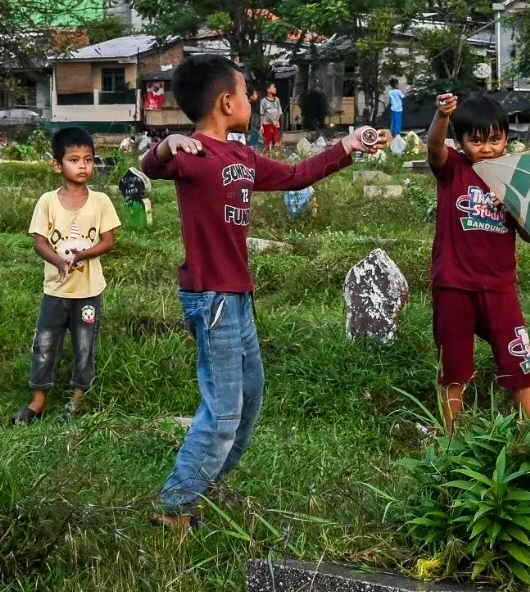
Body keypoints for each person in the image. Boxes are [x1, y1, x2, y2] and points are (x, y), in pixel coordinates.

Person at [143, 54, 383, 529]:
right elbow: (152, 167)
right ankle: (174, 507)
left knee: (251, 396)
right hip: (212, 297)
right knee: (224, 408)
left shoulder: (243, 156)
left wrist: (348, 145)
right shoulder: (194, 154)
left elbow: (296, 177)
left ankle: (206, 489)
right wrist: (167, 144)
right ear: (226, 101)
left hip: (238, 295)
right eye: (246, 91)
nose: (253, 97)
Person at [427, 91, 530, 431]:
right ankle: (452, 441)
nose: (488, 148)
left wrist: (516, 207)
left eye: (495, 139)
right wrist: (442, 116)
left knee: (521, 364)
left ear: (506, 137)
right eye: (476, 141)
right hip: (453, 286)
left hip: (499, 288)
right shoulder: (453, 169)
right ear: (460, 143)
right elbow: (434, 147)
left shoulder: (516, 178)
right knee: (454, 370)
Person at [13, 126, 122, 424]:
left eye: (88, 159)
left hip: (88, 292)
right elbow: (39, 241)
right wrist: (60, 263)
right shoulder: (47, 202)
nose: (83, 166)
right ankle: (38, 401)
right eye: (74, 159)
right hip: (56, 292)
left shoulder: (100, 202)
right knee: (46, 342)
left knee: (85, 345)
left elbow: (108, 240)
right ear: (57, 165)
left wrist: (82, 255)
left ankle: (77, 399)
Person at [258, 83, 283, 150]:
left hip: (276, 124)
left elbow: (280, 111)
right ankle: (267, 157)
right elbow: (262, 114)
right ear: (268, 89)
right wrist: (261, 126)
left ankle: (277, 157)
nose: (275, 89)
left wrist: (276, 121)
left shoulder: (277, 100)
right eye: (273, 87)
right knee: (267, 142)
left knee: (277, 141)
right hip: (266, 124)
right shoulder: (263, 101)